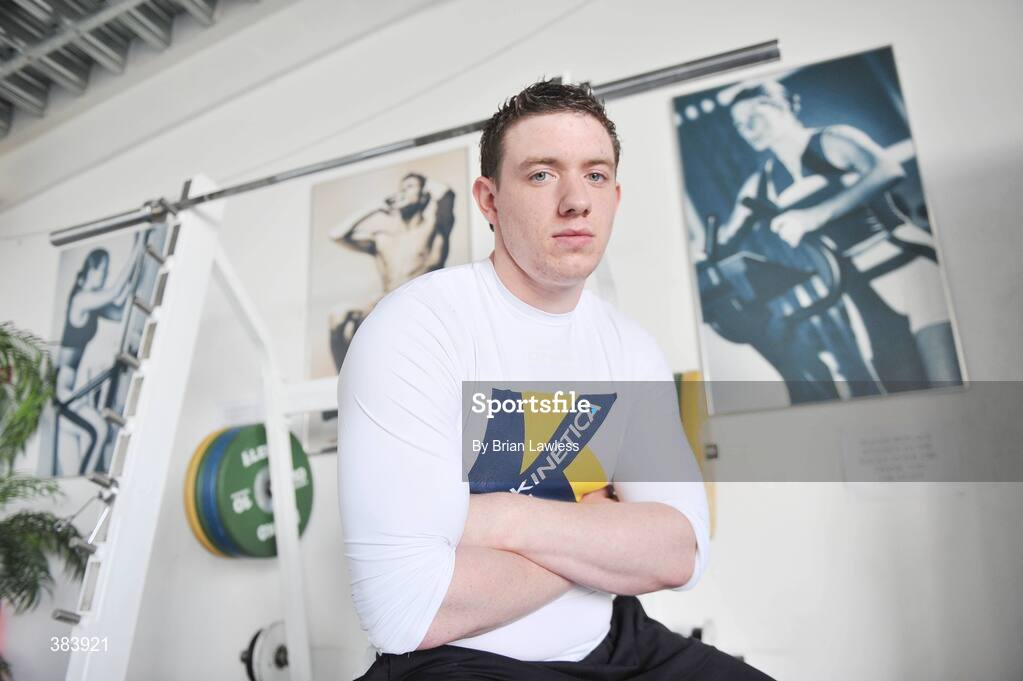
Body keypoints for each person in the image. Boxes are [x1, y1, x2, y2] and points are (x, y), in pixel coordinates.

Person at [337, 81, 776, 680]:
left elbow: (682, 551)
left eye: (595, 175)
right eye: (542, 174)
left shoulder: (629, 346)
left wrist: (496, 517)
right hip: (461, 662)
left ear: (616, 196)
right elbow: (406, 609)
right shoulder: (416, 329)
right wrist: (603, 521)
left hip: (622, 642)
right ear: (488, 201)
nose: (576, 201)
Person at [714, 80, 939, 398]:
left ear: (783, 107)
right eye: (739, 124)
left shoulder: (831, 139)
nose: (748, 128)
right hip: (856, 290)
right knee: (904, 395)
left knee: (948, 386)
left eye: (755, 116)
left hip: (907, 267)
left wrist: (816, 215)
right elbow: (725, 237)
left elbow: (887, 169)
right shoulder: (760, 183)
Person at [326, 173, 456, 371]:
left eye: (410, 187)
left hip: (420, 306)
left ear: (424, 196)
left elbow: (446, 192)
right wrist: (375, 207)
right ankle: (344, 380)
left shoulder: (434, 229)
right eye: (401, 188)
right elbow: (336, 234)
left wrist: (424, 186)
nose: (402, 192)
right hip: (385, 304)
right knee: (337, 315)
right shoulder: (383, 240)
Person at [53, 234, 143, 476]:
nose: (103, 277)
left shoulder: (93, 305)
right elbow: (114, 293)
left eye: (106, 272)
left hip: (74, 392)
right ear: (90, 270)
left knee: (99, 432)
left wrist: (139, 263)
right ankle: (91, 483)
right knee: (100, 430)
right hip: (64, 391)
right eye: (101, 271)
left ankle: (90, 479)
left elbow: (121, 306)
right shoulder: (80, 300)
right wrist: (137, 247)